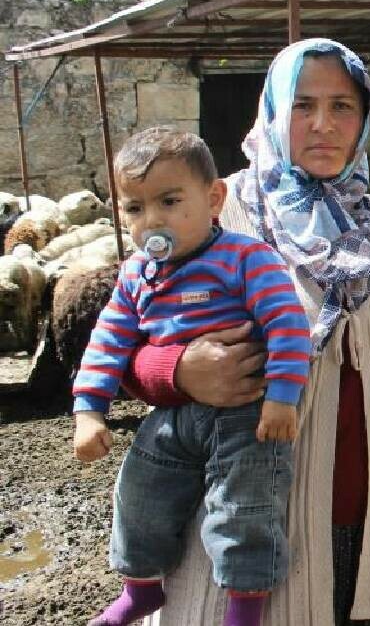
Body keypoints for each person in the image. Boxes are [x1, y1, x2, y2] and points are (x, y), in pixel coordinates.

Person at [118, 38, 370, 626]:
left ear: (365, 116)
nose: (323, 124)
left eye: (343, 106)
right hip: (247, 512)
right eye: (302, 105)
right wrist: (178, 371)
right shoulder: (215, 213)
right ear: (271, 110)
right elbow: (124, 344)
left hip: (362, 512)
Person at [72, 127, 311, 626]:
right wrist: (90, 411)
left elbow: (288, 325)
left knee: (245, 508)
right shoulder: (136, 274)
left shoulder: (248, 259)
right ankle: (139, 589)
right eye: (135, 208)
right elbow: (108, 340)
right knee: (137, 495)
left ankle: (244, 611)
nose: (152, 221)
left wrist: (283, 397)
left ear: (214, 198)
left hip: (247, 415)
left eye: (170, 201)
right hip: (172, 414)